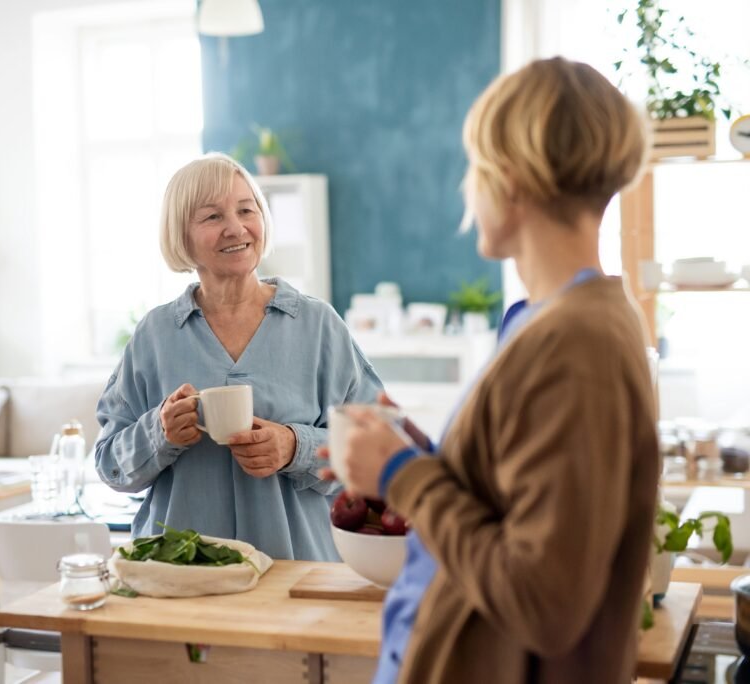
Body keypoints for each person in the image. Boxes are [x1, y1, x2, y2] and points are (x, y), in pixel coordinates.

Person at [333, 57, 659, 683]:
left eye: (474, 168)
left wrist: (404, 476)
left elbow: (544, 600)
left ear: (509, 179)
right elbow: (520, 501)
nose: (468, 189)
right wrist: (426, 459)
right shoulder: (566, 320)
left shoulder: (575, 342)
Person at [95, 152, 382, 561]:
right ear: (182, 235)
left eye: (247, 210)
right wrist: (159, 434)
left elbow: (375, 448)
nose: (235, 227)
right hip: (180, 576)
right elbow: (109, 463)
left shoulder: (318, 325)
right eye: (212, 217)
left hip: (296, 573)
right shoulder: (154, 335)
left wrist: (294, 446)